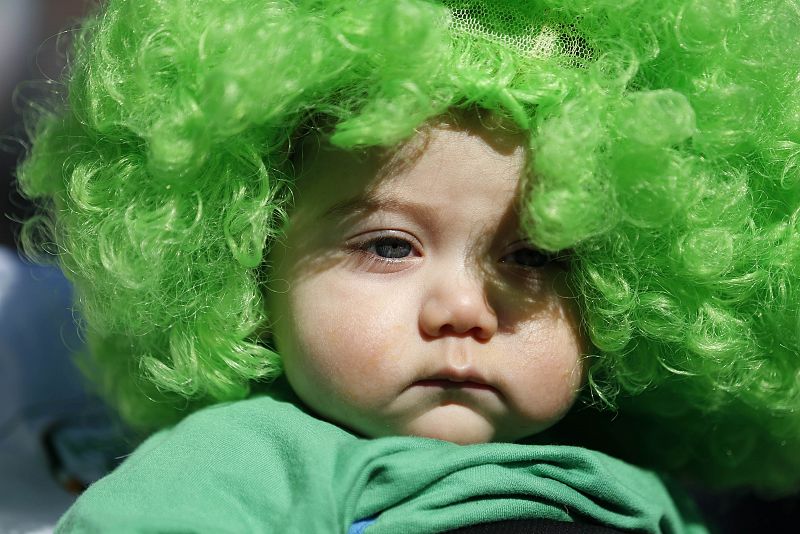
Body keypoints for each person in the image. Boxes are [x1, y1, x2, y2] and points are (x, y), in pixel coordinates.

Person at [16, 0, 800, 531]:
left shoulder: (641, 488)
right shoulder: (249, 458)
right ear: (252, 271)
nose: (464, 308)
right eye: (389, 245)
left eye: (533, 256)